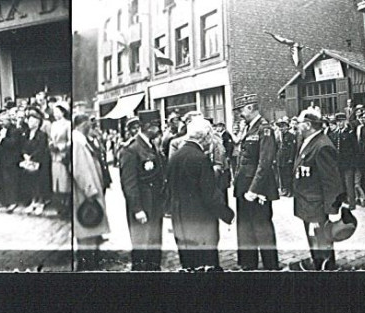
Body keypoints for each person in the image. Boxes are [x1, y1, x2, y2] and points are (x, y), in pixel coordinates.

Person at [166, 117, 234, 270]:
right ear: (204, 137)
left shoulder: (175, 156)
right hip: (201, 220)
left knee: (188, 261)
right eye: (210, 136)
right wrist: (227, 214)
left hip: (180, 219)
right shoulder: (200, 159)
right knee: (206, 262)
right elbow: (209, 195)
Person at [289, 108, 346, 271]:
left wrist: (330, 209)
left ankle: (325, 267)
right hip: (308, 202)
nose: (297, 126)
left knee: (320, 238)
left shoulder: (322, 146)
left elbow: (331, 181)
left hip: (316, 205)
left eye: (299, 123)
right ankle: (318, 263)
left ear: (308, 125)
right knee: (314, 238)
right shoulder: (308, 141)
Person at [232, 94, 279, 270]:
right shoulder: (249, 128)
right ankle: (248, 263)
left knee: (261, 226)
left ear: (251, 108)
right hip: (244, 185)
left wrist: (254, 189)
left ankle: (270, 266)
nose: (240, 115)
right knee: (245, 226)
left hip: (257, 188)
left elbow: (264, 163)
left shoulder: (264, 129)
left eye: (242, 110)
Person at [119, 110, 166, 271]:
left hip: (155, 204)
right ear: (146, 127)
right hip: (143, 205)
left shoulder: (151, 145)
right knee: (141, 246)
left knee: (154, 244)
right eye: (156, 126)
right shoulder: (131, 149)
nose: (159, 129)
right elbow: (129, 184)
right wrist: (137, 209)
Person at [72, 112, 110, 271]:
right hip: (86, 196)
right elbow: (80, 169)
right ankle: (87, 265)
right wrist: (90, 190)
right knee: (88, 227)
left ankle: (89, 262)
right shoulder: (78, 143)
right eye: (89, 123)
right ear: (83, 124)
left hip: (88, 193)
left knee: (90, 230)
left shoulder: (82, 141)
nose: (91, 126)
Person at [21, 108, 51, 215]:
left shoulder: (42, 134)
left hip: (39, 161)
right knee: (30, 182)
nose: (30, 123)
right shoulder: (26, 133)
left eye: (33, 121)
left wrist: (32, 157)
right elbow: (23, 146)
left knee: (39, 182)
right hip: (28, 161)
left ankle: (40, 202)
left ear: (38, 122)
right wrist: (25, 155)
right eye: (29, 120)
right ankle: (33, 202)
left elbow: (41, 148)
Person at [329, 113, 361, 210]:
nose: (340, 124)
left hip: (348, 163)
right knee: (340, 183)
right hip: (339, 163)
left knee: (349, 184)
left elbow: (356, 149)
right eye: (338, 122)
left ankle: (352, 203)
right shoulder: (335, 134)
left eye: (341, 121)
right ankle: (343, 200)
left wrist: (354, 163)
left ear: (345, 122)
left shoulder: (350, 134)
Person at [0, 111, 23, 212]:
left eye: (4, 120)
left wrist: (3, 138)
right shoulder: (0, 130)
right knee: (2, 181)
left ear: (9, 120)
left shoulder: (14, 130)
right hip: (1, 160)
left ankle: (13, 201)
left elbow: (13, 143)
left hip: (11, 160)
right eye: (1, 120)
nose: (2, 123)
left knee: (11, 182)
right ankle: (4, 200)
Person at [48, 103, 72, 214]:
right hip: (54, 156)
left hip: (63, 155)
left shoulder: (68, 124)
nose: (55, 113)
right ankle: (59, 204)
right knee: (56, 181)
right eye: (54, 111)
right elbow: (50, 138)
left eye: (57, 111)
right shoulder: (53, 125)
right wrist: (51, 144)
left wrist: (61, 147)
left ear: (63, 112)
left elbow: (70, 140)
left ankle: (66, 204)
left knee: (64, 181)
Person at [275, 118, 296, 198]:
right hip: (280, 159)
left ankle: (290, 191)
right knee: (282, 175)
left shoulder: (291, 136)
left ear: (287, 127)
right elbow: (277, 147)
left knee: (288, 175)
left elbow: (292, 148)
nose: (281, 129)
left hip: (287, 159)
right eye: (280, 127)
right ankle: (284, 189)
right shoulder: (280, 136)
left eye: (283, 127)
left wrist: (291, 158)